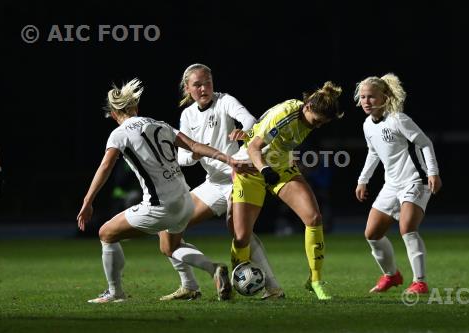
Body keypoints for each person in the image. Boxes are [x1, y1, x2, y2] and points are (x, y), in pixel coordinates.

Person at [77, 78, 250, 303]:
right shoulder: (160, 124)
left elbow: (105, 167)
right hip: (185, 200)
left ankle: (115, 292)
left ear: (112, 113)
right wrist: (229, 159)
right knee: (170, 246)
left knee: (106, 233)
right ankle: (211, 270)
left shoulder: (119, 135)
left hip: (160, 206)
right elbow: (196, 146)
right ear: (136, 108)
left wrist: (87, 201)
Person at [159, 63, 284, 301]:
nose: (204, 88)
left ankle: (273, 288)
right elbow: (182, 158)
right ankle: (189, 285)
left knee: (238, 232)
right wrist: (194, 153)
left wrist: (244, 132)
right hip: (213, 183)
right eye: (197, 84)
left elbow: (249, 120)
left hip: (239, 178)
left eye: (208, 83)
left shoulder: (225, 101)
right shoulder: (187, 115)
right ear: (187, 88)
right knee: (168, 228)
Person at [230, 81, 344, 300]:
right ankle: (237, 283)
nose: (317, 126)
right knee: (242, 237)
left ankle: (315, 280)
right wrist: (264, 169)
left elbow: (281, 146)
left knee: (313, 217)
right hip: (251, 169)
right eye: (317, 121)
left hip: (280, 168)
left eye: (322, 123)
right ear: (308, 107)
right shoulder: (284, 115)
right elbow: (254, 147)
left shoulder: (308, 117)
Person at [354, 73, 442, 294]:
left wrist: (433, 172)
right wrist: (363, 179)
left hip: (415, 179)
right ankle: (392, 276)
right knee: (372, 233)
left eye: (371, 97)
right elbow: (373, 153)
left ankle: (420, 282)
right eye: (363, 97)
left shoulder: (398, 119)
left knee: (407, 228)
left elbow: (424, 143)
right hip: (391, 184)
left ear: (384, 97)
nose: (366, 101)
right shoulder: (367, 125)